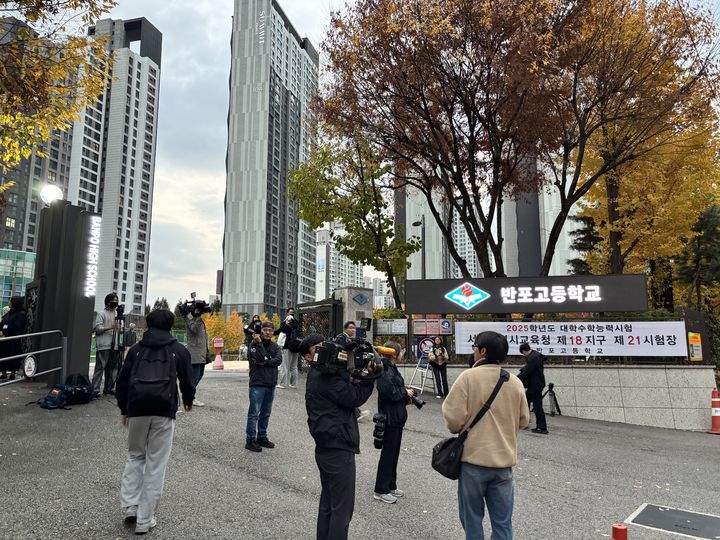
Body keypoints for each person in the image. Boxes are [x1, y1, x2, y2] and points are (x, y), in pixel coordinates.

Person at [442, 331, 529, 540]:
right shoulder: (514, 382)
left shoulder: (468, 378)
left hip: (473, 462)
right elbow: (524, 420)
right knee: (503, 523)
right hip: (503, 465)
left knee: (472, 520)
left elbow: (453, 420)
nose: (473, 352)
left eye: (474, 348)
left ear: (482, 351)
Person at [115, 309, 195, 535]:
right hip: (164, 409)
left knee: (135, 456)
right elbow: (187, 381)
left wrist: (124, 409)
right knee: (155, 464)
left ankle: (131, 505)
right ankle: (145, 519)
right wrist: (188, 401)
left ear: (148, 324)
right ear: (170, 326)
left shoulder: (137, 350)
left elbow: (122, 382)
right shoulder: (178, 350)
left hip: (137, 409)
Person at [303, 333, 375, 540]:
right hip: (338, 448)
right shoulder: (326, 378)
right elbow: (354, 397)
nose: (325, 350)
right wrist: (370, 379)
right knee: (342, 511)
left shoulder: (320, 373)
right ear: (308, 358)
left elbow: (344, 384)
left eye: (325, 345)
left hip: (326, 446)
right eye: (317, 349)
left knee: (328, 504)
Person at [373, 341, 413, 504]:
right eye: (400, 351)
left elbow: (395, 391)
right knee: (388, 453)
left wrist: (406, 396)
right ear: (394, 353)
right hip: (389, 417)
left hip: (397, 416)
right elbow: (388, 392)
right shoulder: (384, 369)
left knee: (394, 452)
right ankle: (380, 489)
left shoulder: (391, 367)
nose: (402, 353)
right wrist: (405, 392)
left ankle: (390, 484)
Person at [245, 322, 282, 452]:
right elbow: (258, 357)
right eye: (265, 330)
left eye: (270, 330)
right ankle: (250, 440)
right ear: (261, 331)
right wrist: (259, 343)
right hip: (257, 384)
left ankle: (262, 436)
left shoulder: (275, 346)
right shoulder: (253, 345)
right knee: (254, 413)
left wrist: (265, 362)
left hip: (271, 384)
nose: (267, 332)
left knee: (265, 413)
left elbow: (278, 360)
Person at [335, 321, 370, 421]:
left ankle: (356, 412)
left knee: (348, 390)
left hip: (346, 369)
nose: (353, 330)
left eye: (354, 328)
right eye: (350, 328)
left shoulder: (349, 339)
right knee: (348, 391)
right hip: (342, 369)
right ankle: (356, 413)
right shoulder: (341, 338)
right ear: (345, 329)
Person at [92, 292, 121, 396]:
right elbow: (97, 329)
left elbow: (118, 329)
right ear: (108, 302)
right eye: (113, 301)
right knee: (100, 368)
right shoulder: (101, 313)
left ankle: (109, 388)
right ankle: (95, 390)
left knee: (113, 368)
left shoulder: (117, 314)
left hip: (115, 345)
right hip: (104, 345)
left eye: (117, 301)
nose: (115, 303)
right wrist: (110, 327)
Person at [518, 342, 548, 434]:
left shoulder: (533, 357)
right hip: (537, 384)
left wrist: (516, 378)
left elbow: (528, 371)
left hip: (535, 385)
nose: (523, 356)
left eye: (523, 354)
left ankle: (541, 427)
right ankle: (527, 422)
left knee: (536, 406)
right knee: (527, 402)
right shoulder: (536, 355)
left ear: (524, 351)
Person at [185, 303, 209, 407]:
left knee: (200, 374)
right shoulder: (190, 318)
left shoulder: (196, 319)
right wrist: (198, 317)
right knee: (195, 376)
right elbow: (194, 330)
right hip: (194, 352)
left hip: (201, 352)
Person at [0, 297, 28, 381]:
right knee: (2, 355)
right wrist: (1, 331)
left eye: (10, 301)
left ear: (14, 303)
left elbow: (18, 327)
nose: (9, 302)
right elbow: (2, 322)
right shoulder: (10, 312)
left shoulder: (21, 314)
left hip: (13, 339)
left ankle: (12, 374)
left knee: (13, 356)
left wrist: (5, 333)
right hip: (4, 339)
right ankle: (3, 373)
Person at [275, 314, 298, 389]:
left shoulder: (286, 327)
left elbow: (278, 334)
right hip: (296, 348)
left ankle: (283, 384)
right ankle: (293, 384)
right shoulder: (297, 327)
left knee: (284, 366)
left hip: (287, 348)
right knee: (294, 367)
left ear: (287, 320)